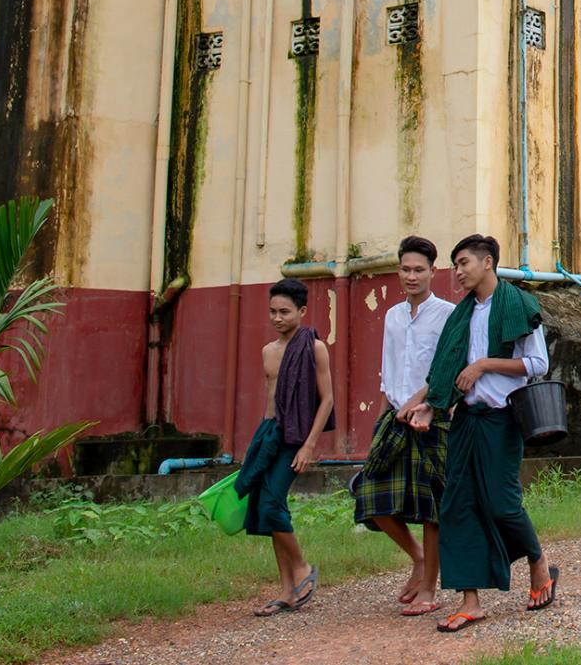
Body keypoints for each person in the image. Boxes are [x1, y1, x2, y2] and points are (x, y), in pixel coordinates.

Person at [407, 235, 559, 632]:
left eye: (463, 263)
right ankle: (469, 600)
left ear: (487, 262)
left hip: (502, 420)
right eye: (455, 265)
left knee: (501, 504)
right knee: (457, 508)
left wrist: (486, 365)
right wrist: (431, 404)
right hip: (465, 421)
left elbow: (538, 363)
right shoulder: (462, 315)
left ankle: (537, 560)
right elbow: (447, 371)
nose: (457, 271)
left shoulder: (517, 305)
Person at [354, 236, 456, 617]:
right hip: (394, 417)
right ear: (398, 270)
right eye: (406, 269)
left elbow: (446, 369)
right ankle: (417, 559)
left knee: (431, 509)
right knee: (371, 495)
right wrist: (380, 420)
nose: (412, 276)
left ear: (433, 272)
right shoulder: (393, 315)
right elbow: (388, 372)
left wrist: (424, 404)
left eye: (419, 270)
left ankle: (430, 588)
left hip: (431, 419)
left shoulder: (447, 314)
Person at [239, 279, 335, 617]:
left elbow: (327, 400)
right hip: (268, 434)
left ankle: (302, 567)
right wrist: (258, 442)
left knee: (272, 503)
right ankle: (287, 592)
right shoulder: (267, 350)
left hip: (294, 437)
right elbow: (269, 399)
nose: (277, 318)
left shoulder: (314, 347)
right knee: (264, 509)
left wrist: (309, 445)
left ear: (302, 311)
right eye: (272, 312)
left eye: (284, 312)